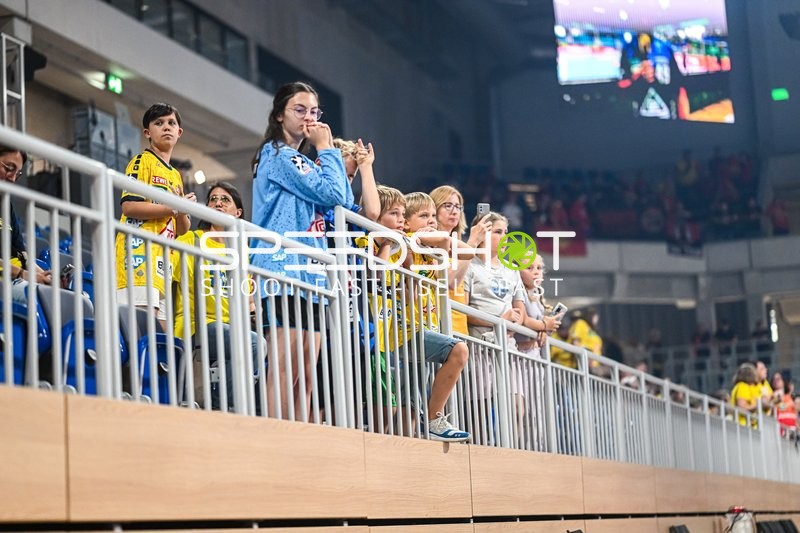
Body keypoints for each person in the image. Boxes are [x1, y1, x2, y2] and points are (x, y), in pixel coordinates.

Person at [249, 81, 353, 420]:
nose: (309, 118)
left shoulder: (304, 162)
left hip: (310, 274)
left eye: (314, 111)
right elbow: (336, 195)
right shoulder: (277, 155)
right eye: (300, 110)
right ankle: (272, 440)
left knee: (306, 374)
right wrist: (326, 148)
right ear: (279, 115)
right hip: (281, 270)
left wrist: (328, 156)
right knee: (283, 368)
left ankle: (300, 442)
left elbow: (346, 202)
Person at [170, 183, 265, 411]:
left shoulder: (240, 252)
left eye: (225, 200)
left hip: (231, 327)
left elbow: (248, 299)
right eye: (213, 199)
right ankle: (228, 409)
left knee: (263, 346)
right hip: (198, 325)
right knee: (253, 343)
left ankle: (254, 416)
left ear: (238, 212)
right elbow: (167, 284)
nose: (218, 203)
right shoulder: (191, 240)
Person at [115, 103, 196, 324]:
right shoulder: (142, 162)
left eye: (171, 123)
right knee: (142, 333)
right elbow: (129, 206)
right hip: (139, 257)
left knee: (160, 342)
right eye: (159, 123)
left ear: (179, 133)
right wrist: (174, 207)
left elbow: (182, 229)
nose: (166, 127)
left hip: (163, 264)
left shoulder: (175, 175)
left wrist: (181, 209)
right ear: (147, 133)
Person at [430, 185, 490, 337]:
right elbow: (449, 282)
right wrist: (473, 242)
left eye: (458, 206)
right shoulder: (430, 242)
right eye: (447, 205)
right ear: (434, 208)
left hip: (460, 325)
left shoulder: (459, 244)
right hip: (439, 324)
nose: (454, 211)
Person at [0, 146, 52, 293]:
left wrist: (44, 275)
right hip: (8, 281)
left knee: (79, 297)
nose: (13, 178)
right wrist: (23, 274)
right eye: (9, 168)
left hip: (15, 279)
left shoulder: (5, 204)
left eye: (18, 173)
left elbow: (23, 255)